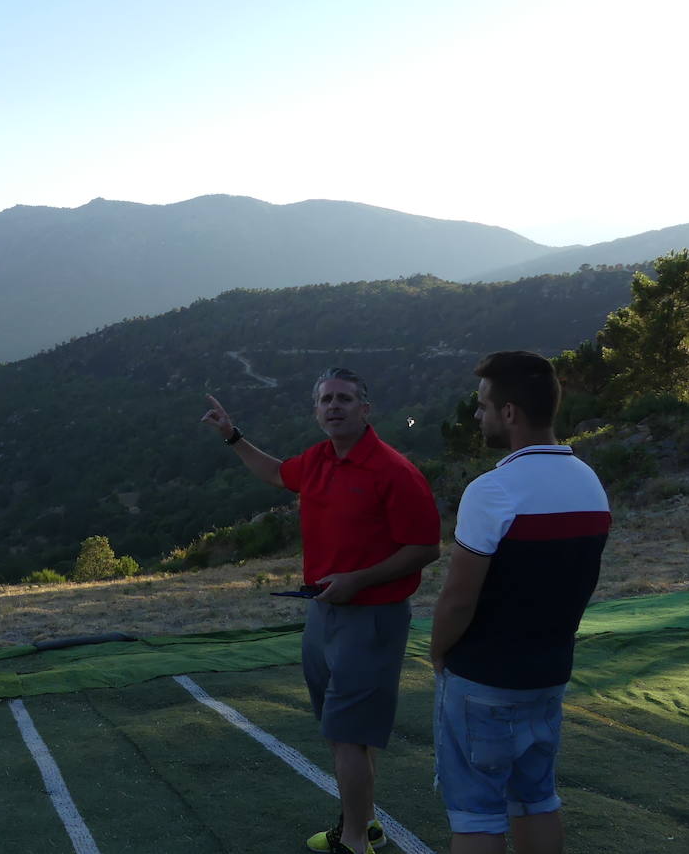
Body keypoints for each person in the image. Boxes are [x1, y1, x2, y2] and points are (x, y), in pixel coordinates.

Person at [202, 367, 440, 854]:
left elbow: (424, 547)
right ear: (316, 411)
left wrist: (358, 581)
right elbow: (274, 472)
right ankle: (366, 824)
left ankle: (353, 842)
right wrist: (233, 437)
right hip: (323, 614)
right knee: (341, 733)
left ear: (365, 409)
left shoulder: (394, 471)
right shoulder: (318, 461)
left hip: (372, 617)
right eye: (326, 399)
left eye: (345, 399)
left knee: (348, 733)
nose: (334, 406)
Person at [430, 351, 610, 853]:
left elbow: (458, 599)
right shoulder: (590, 484)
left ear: (509, 413)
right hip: (549, 674)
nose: (477, 415)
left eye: (484, 405)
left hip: (484, 677)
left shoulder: (493, 490)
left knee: (476, 815)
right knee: (536, 798)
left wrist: (438, 651)